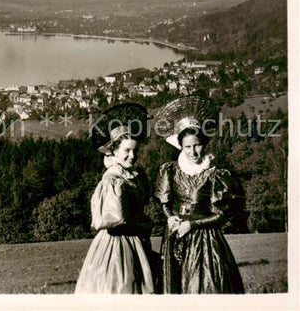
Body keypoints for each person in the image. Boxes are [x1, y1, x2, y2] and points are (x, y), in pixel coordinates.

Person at [155, 96, 244, 294]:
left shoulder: (214, 174)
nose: (193, 152)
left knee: (203, 286)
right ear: (181, 146)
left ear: (204, 144)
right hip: (176, 235)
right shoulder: (170, 171)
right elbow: (165, 202)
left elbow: (222, 214)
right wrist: (170, 217)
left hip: (204, 240)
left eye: (197, 145)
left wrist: (192, 224)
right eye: (187, 147)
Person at [75, 122, 155, 294]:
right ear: (115, 152)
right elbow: (116, 222)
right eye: (127, 151)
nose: (132, 156)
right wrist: (144, 225)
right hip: (117, 244)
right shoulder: (113, 180)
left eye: (135, 150)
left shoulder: (133, 176)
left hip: (136, 241)